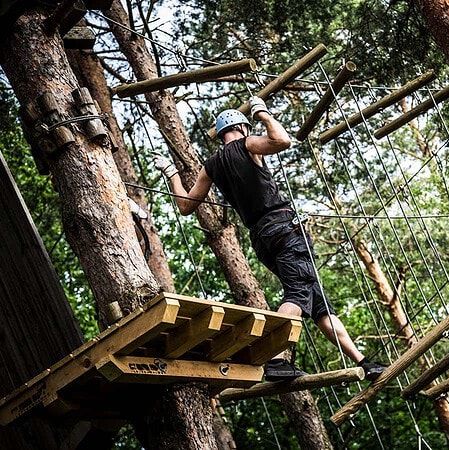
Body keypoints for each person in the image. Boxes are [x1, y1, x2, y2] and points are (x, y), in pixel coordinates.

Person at [153, 96, 386, 381]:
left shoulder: (211, 165)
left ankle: (363, 361)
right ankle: (276, 361)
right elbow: (282, 140)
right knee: (298, 295)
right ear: (242, 128)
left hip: (262, 239)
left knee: (317, 303)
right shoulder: (247, 144)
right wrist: (262, 113)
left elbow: (186, 205)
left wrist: (172, 174)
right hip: (284, 230)